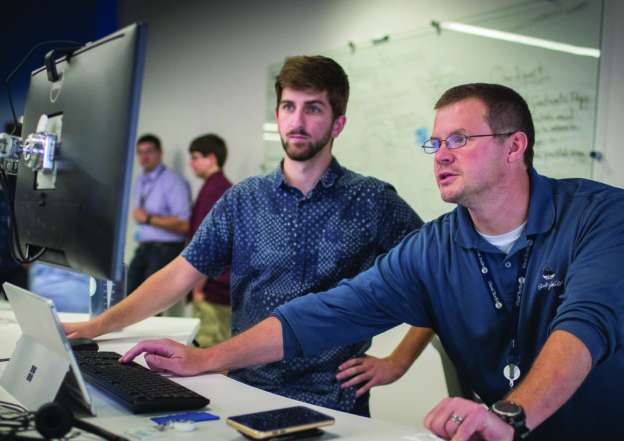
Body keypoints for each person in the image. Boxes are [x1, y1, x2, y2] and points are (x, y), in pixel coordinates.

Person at [120, 83, 624, 441]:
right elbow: (323, 314)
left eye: (459, 139)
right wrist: (204, 359)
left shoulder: (601, 213)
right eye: (435, 141)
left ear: (515, 147)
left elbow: (587, 322)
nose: (441, 153)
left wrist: (509, 415)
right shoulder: (433, 247)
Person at [65, 55, 432, 416]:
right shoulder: (243, 199)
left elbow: (436, 279)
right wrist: (95, 327)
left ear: (338, 124)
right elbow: (178, 275)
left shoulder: (372, 199)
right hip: (245, 390)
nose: (298, 120)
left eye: (314, 109)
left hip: (334, 401)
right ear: (277, 116)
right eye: (289, 106)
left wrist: (397, 362)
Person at [126, 134, 191, 295]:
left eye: (149, 151)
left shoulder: (173, 181)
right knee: (126, 297)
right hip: (143, 248)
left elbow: (184, 224)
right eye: (140, 152)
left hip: (165, 249)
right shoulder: (139, 181)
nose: (144, 156)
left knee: (150, 304)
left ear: (160, 152)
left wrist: (148, 219)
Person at [185, 133, 233, 348]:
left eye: (195, 157)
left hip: (213, 289)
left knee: (206, 351)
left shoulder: (213, 189)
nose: (191, 163)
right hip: (219, 286)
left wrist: (197, 289)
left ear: (211, 158)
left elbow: (207, 244)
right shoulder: (222, 186)